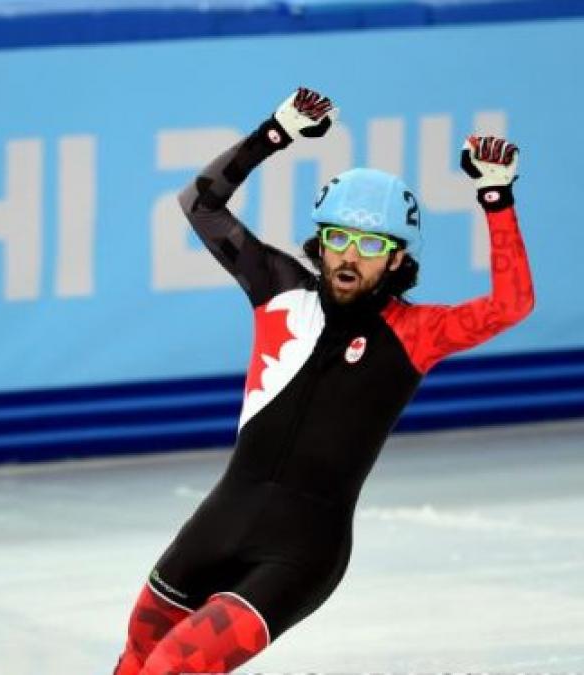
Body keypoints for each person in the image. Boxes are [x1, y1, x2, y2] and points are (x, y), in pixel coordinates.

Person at [112, 87, 534, 674]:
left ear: (395, 259)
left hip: (300, 554)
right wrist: (273, 134)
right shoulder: (280, 287)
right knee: (135, 661)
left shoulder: (417, 333)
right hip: (219, 522)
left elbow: (511, 304)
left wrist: (496, 199)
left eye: (369, 244)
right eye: (338, 237)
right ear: (320, 239)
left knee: (172, 668)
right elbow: (200, 204)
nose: (348, 255)